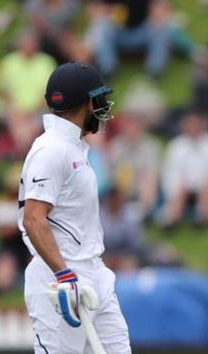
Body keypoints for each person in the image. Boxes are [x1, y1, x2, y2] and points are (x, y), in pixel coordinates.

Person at [18, 62, 131, 353]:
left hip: (94, 272)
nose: (103, 106)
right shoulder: (52, 149)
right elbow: (33, 218)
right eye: (100, 98)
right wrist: (64, 274)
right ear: (87, 102)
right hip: (60, 280)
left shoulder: (72, 147)